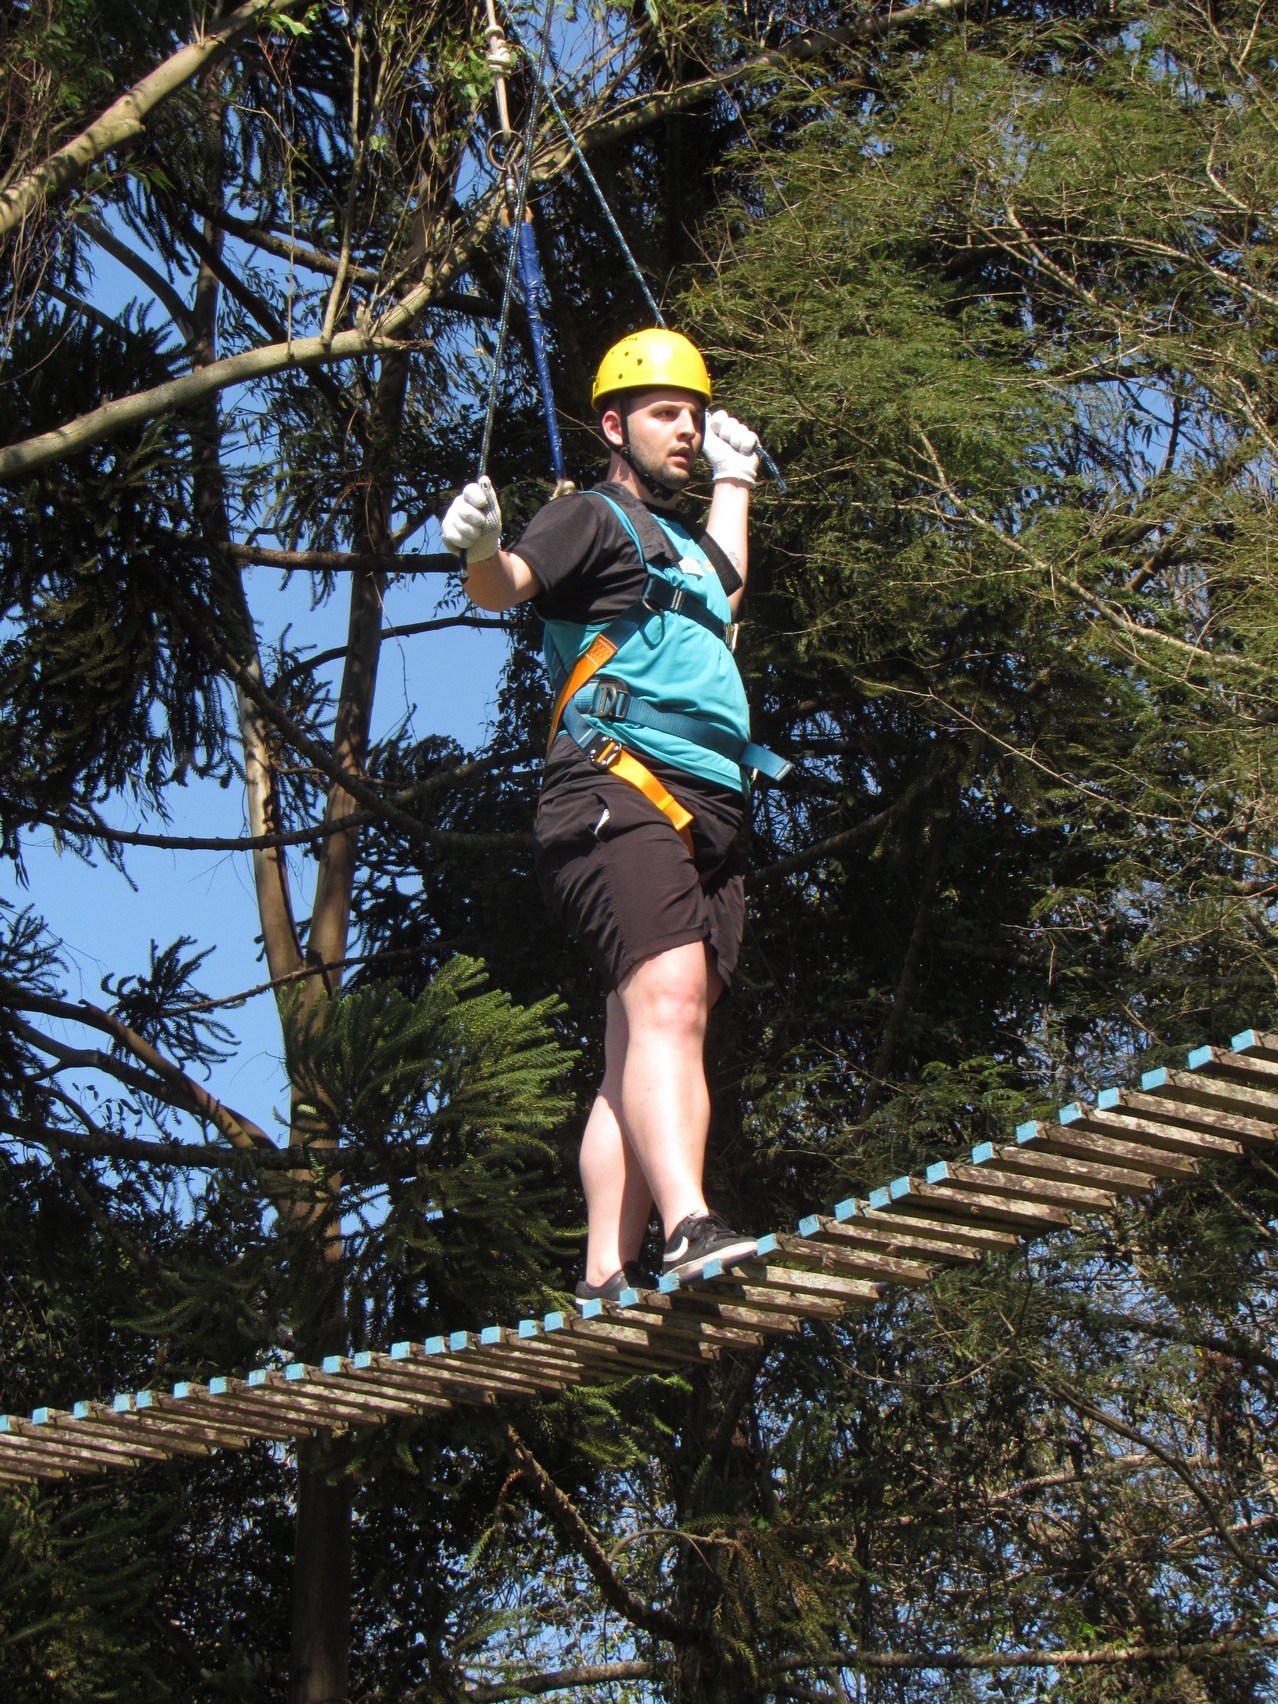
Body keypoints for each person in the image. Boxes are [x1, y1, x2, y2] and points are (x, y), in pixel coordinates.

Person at [440, 329, 782, 1299]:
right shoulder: (589, 517)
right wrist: (477, 548)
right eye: (666, 413)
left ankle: (603, 1270)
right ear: (613, 426)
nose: (688, 429)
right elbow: (505, 585)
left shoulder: (683, 549)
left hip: (708, 809)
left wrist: (736, 480)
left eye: (696, 414)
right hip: (614, 787)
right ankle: (688, 1226)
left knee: (646, 1030)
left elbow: (723, 589)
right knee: (667, 1005)